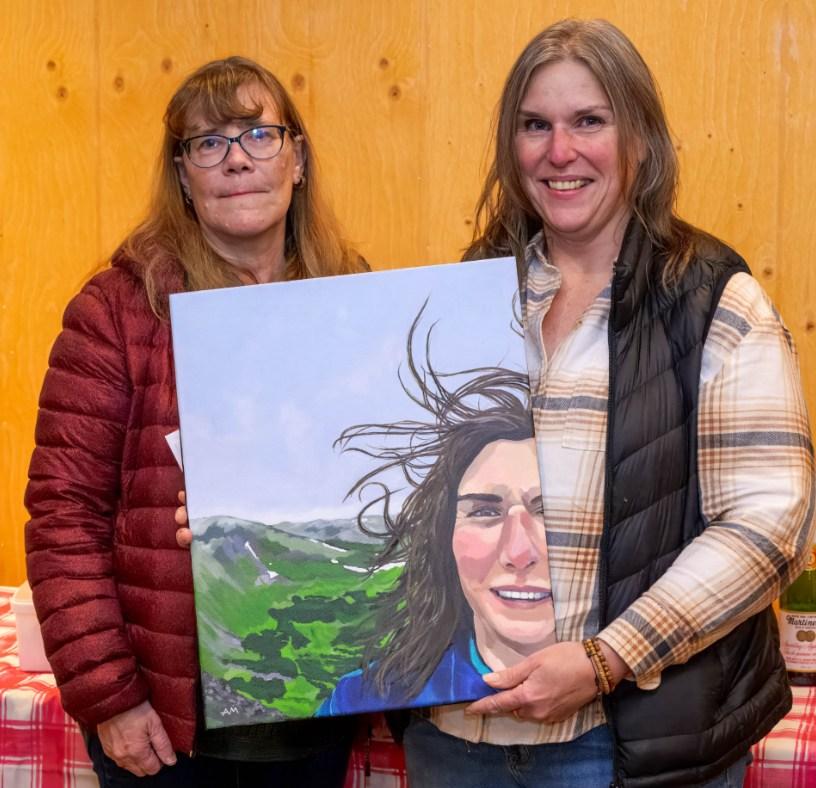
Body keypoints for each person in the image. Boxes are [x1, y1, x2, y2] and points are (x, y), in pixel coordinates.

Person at [400, 18, 815, 788]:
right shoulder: (461, 301)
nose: (560, 151)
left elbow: (771, 524)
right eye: (535, 125)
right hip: (457, 738)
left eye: (590, 121)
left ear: (642, 141)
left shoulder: (713, 302)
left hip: (628, 748)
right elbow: (419, 498)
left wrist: (608, 657)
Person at [24, 56, 366, 786]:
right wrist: (111, 696)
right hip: (171, 728)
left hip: (320, 706)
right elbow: (63, 517)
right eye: (209, 142)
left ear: (298, 159)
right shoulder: (118, 311)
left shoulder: (355, 300)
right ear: (183, 175)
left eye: (259, 134)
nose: (237, 159)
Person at [317, 346, 555, 716]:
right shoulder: (364, 694)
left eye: (550, 511)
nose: (519, 551)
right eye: (485, 511)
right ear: (446, 538)